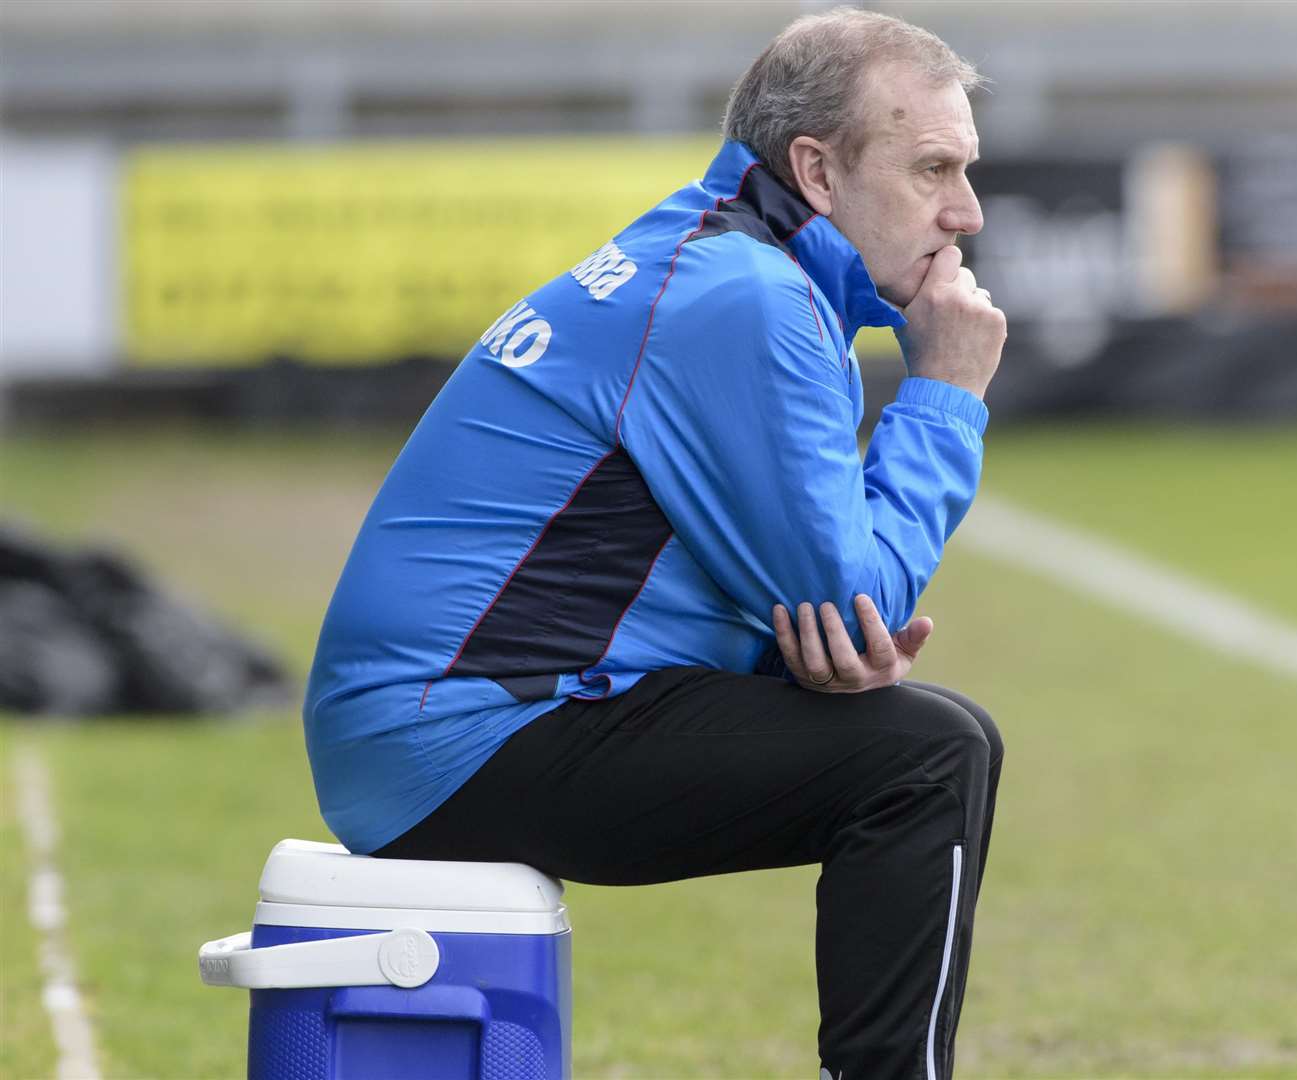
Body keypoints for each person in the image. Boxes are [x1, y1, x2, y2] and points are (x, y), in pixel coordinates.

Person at [304, 7, 1006, 1077]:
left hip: (444, 720)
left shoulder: (718, 260)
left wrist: (794, 655)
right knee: (924, 757)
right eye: (932, 169)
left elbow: (704, 580)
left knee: (932, 738)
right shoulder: (744, 297)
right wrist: (947, 393)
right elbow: (858, 596)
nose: (966, 212)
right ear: (816, 170)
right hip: (454, 738)